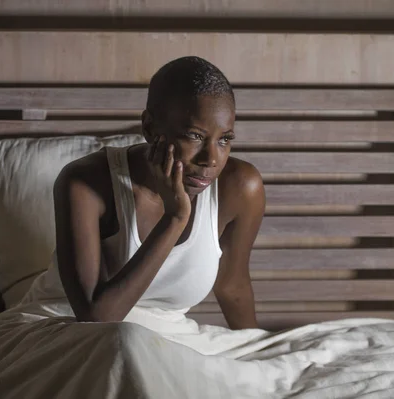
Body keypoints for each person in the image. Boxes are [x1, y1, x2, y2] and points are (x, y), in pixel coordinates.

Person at [34, 56, 264, 329]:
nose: (211, 159)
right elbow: (95, 318)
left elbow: (232, 285)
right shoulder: (84, 183)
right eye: (195, 136)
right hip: (64, 329)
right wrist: (175, 218)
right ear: (150, 128)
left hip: (166, 340)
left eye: (224, 139)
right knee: (126, 346)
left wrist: (256, 356)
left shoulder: (239, 187)